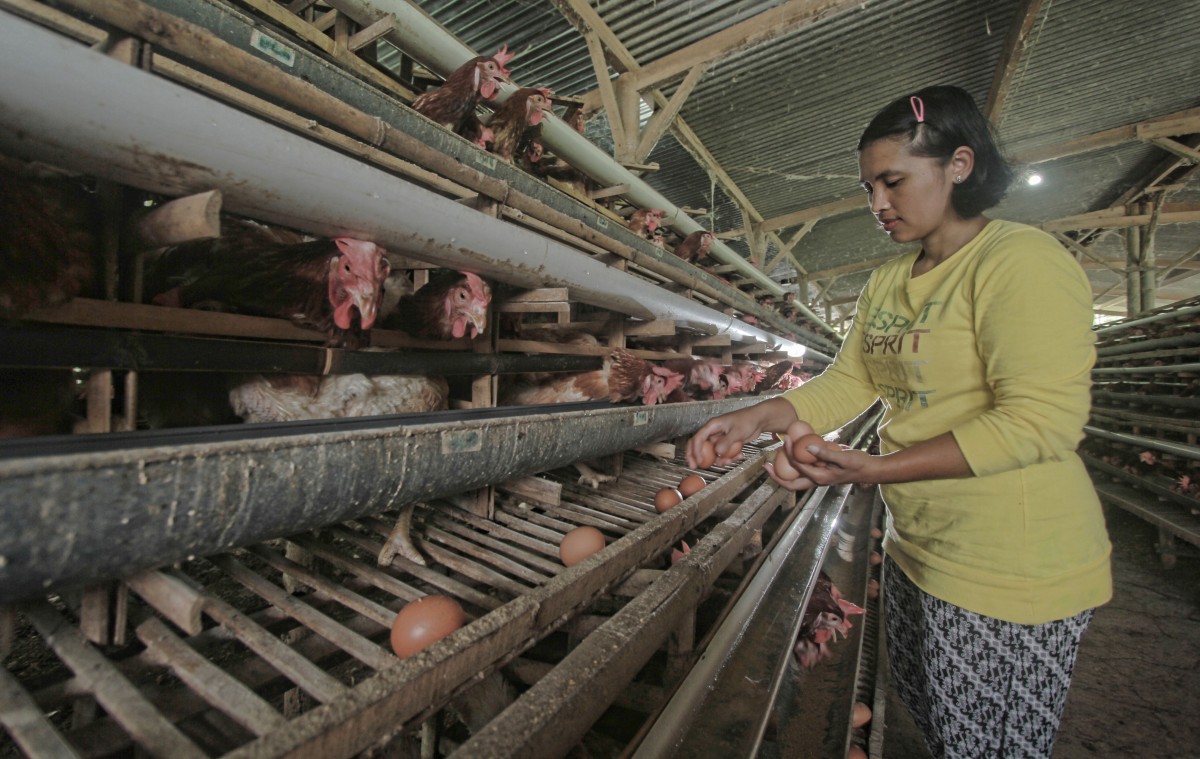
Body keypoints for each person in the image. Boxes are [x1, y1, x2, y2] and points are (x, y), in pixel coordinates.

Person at [686, 85, 1111, 759]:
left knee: (988, 747)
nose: (877, 205)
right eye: (867, 188)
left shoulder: (1019, 263)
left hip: (1011, 564)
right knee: (941, 726)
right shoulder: (890, 282)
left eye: (893, 182)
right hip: (924, 547)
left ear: (960, 165)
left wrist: (879, 467)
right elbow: (853, 380)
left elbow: (1041, 422)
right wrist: (762, 413)